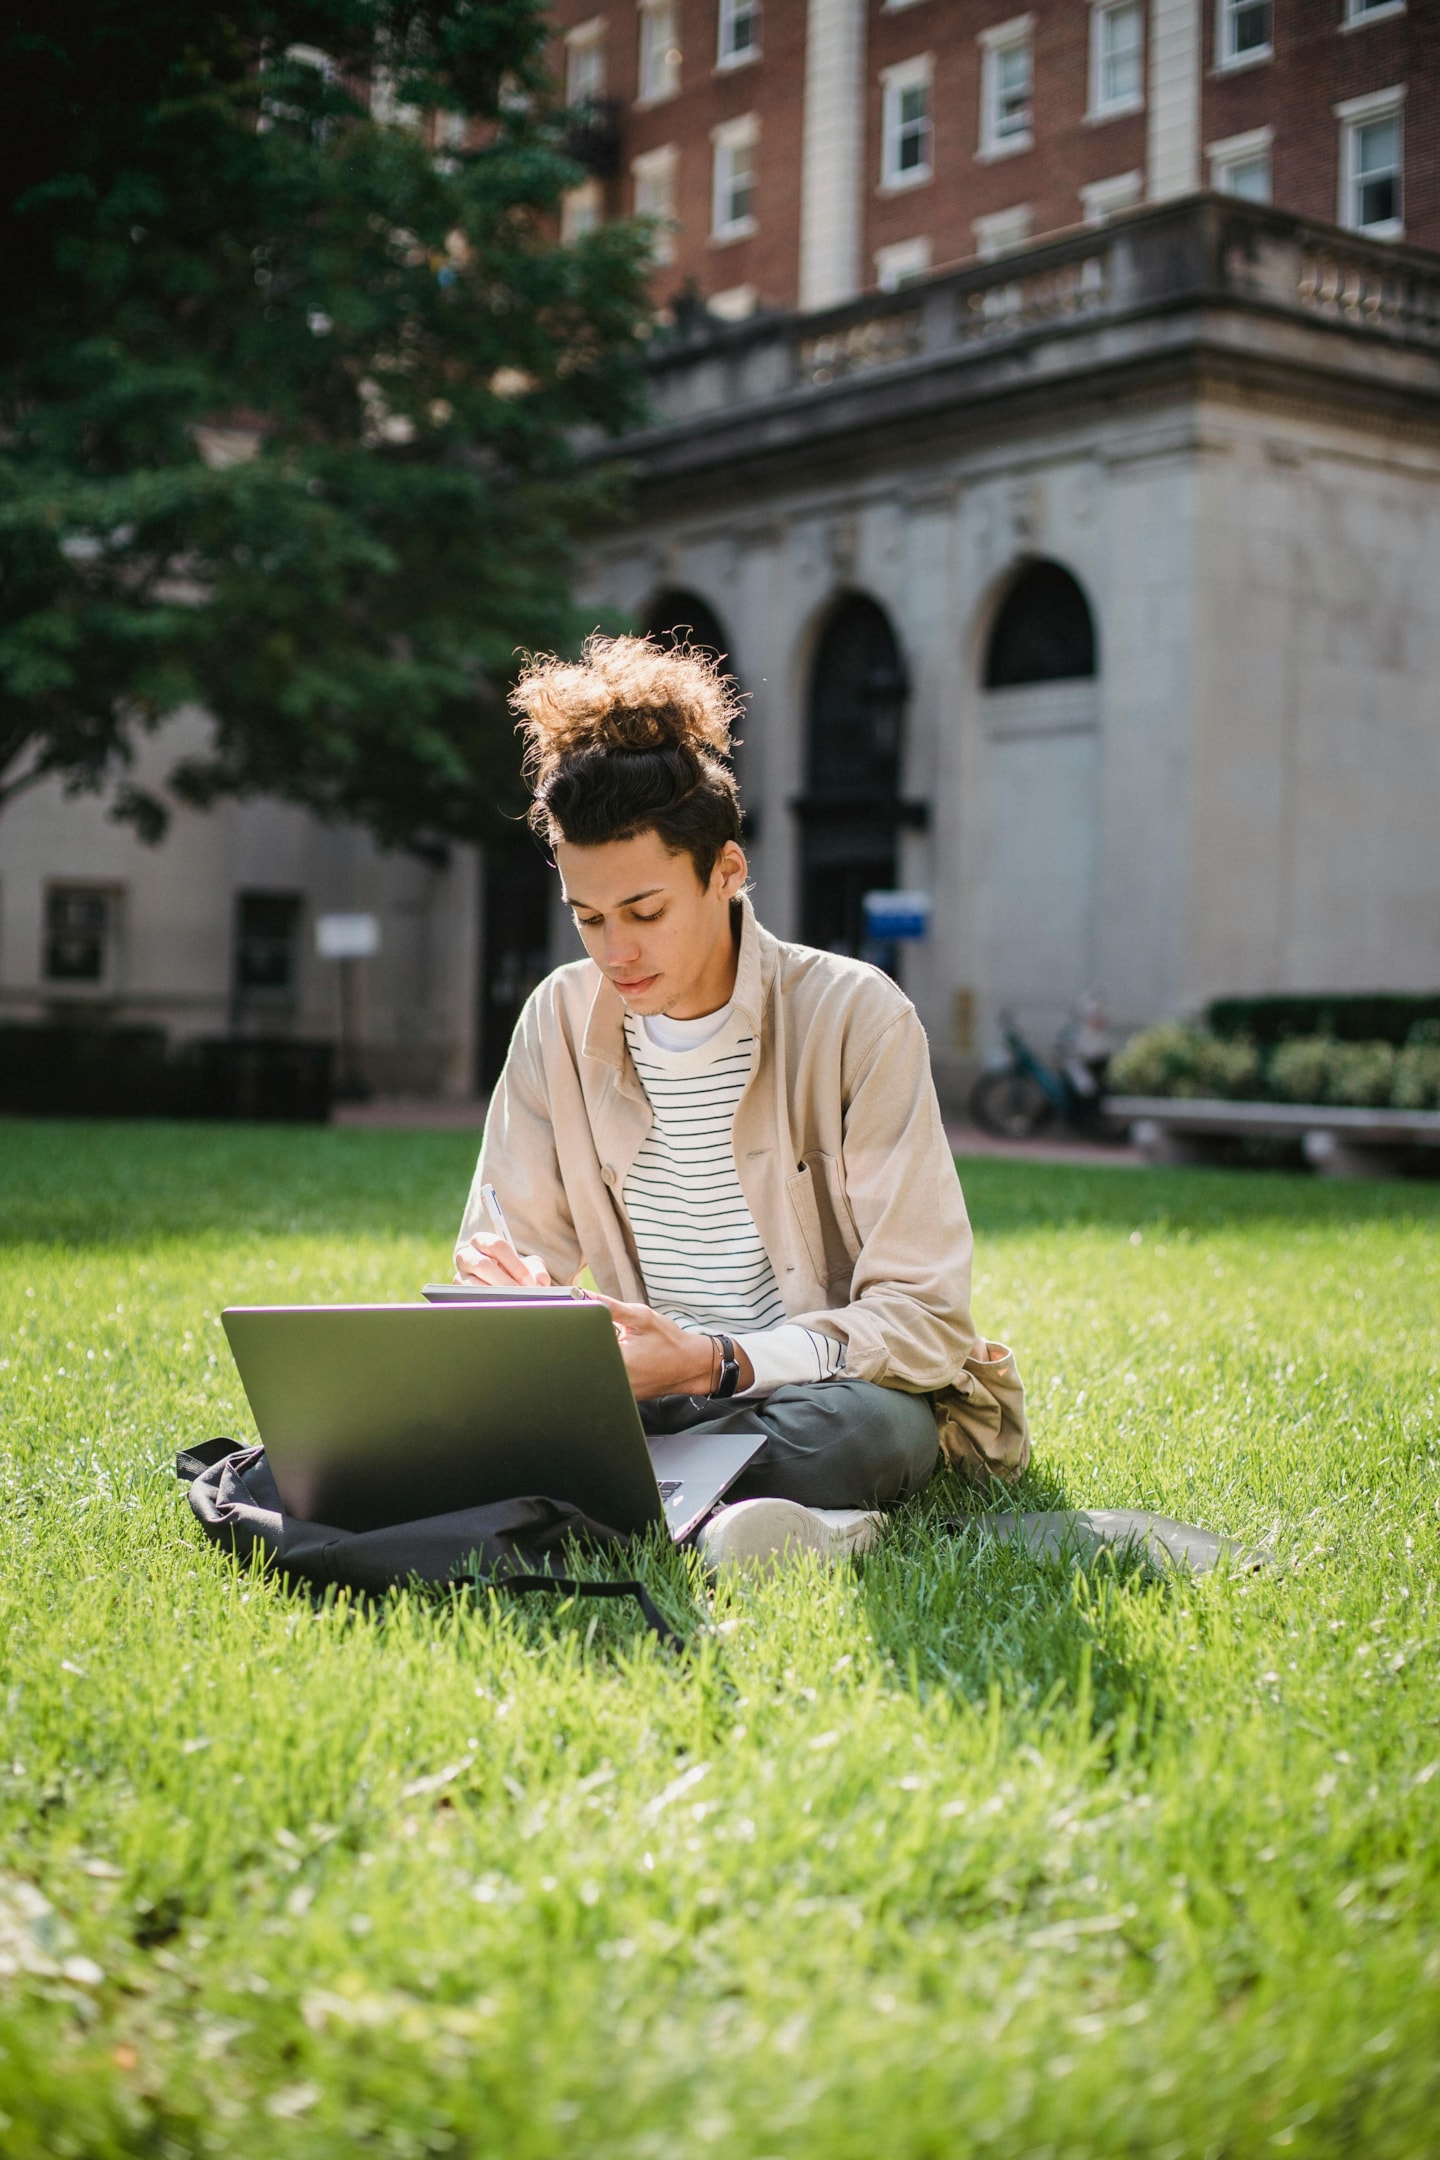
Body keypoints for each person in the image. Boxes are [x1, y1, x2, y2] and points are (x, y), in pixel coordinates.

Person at [456, 634, 1028, 1568]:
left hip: (815, 1392)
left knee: (874, 1437)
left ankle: (620, 1492)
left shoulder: (855, 1015)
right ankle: (731, 1512)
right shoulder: (557, 1018)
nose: (616, 952)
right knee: (461, 1405)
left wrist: (717, 1360)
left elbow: (926, 1319)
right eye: (587, 918)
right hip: (644, 1394)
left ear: (727, 872)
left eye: (644, 912)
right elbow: (495, 1252)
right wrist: (525, 1319)